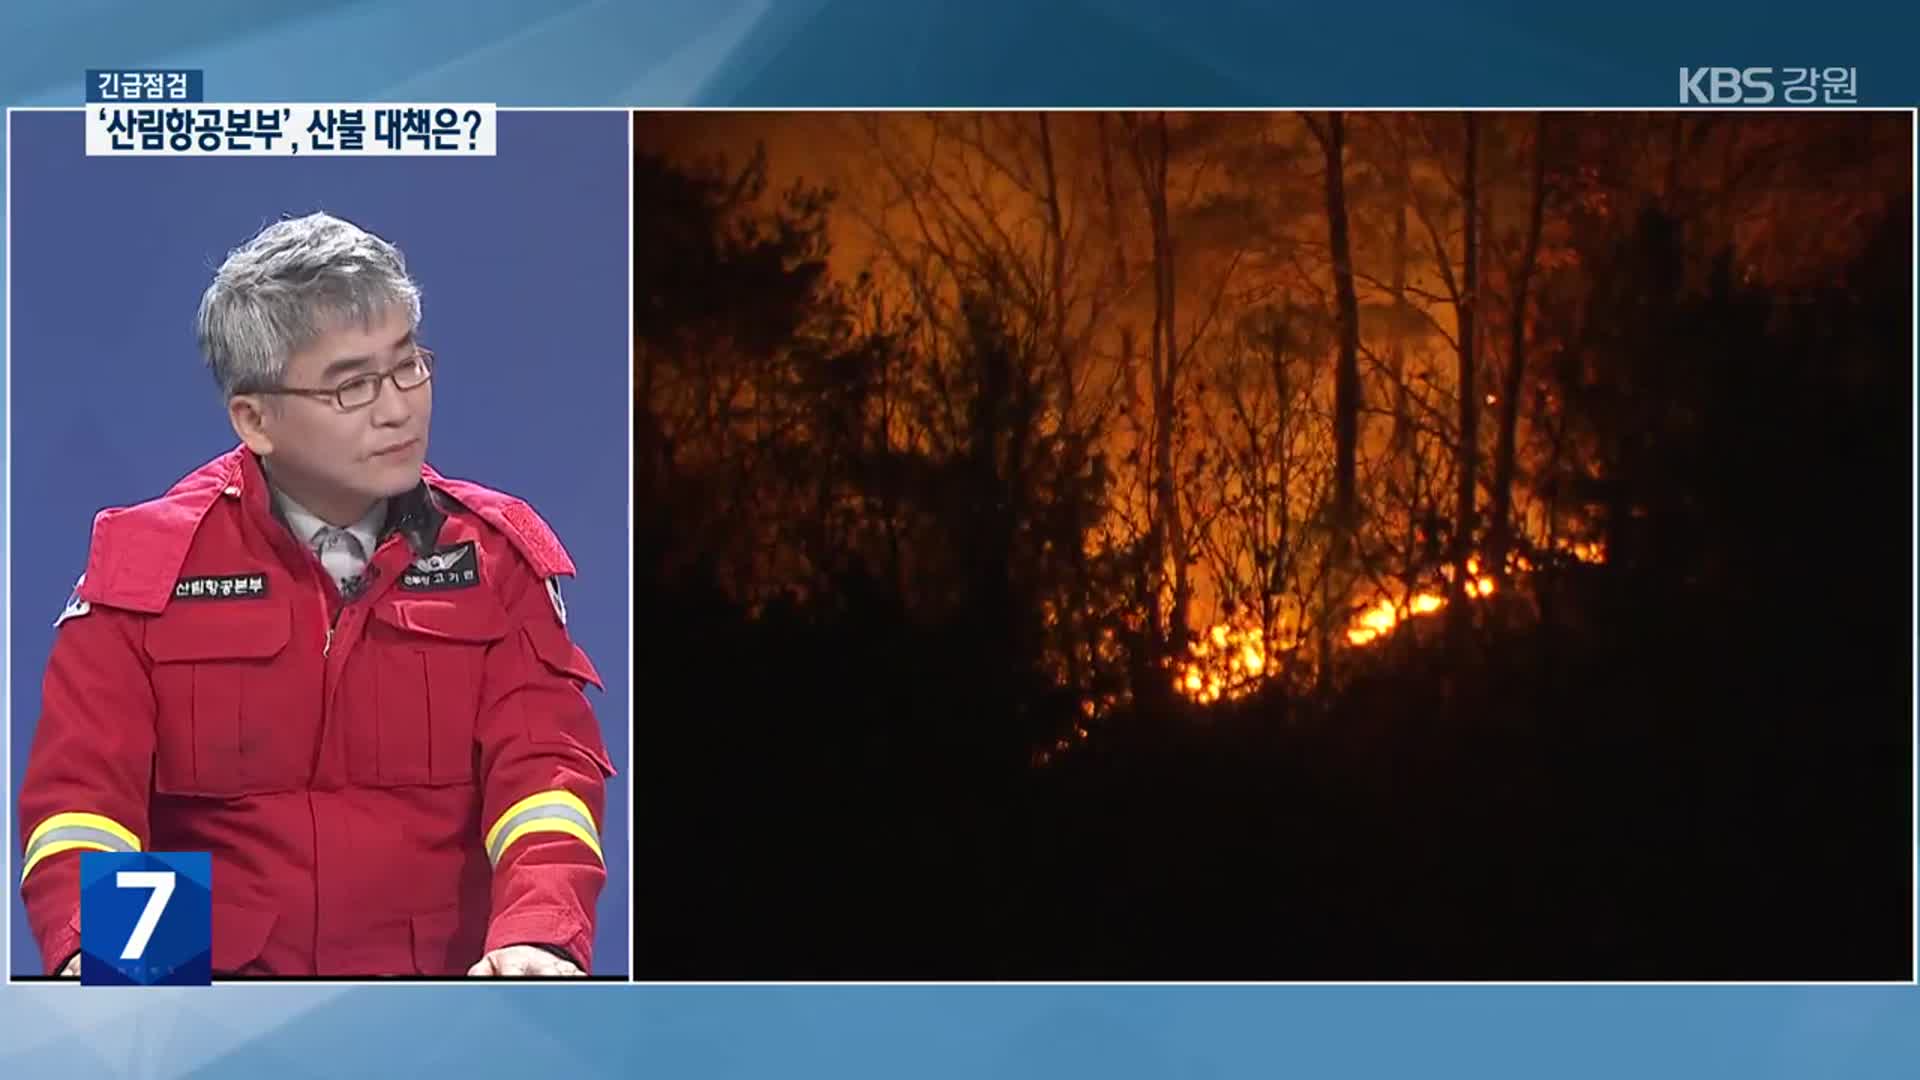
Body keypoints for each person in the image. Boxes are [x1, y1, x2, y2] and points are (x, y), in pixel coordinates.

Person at [16, 212, 615, 977]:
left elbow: (544, 782)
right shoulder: (147, 570)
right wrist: (144, 988)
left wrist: (536, 935)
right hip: (215, 1006)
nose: (398, 407)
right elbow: (86, 808)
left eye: (408, 366)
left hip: (444, 1007)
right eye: (352, 385)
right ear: (255, 418)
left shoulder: (493, 559)